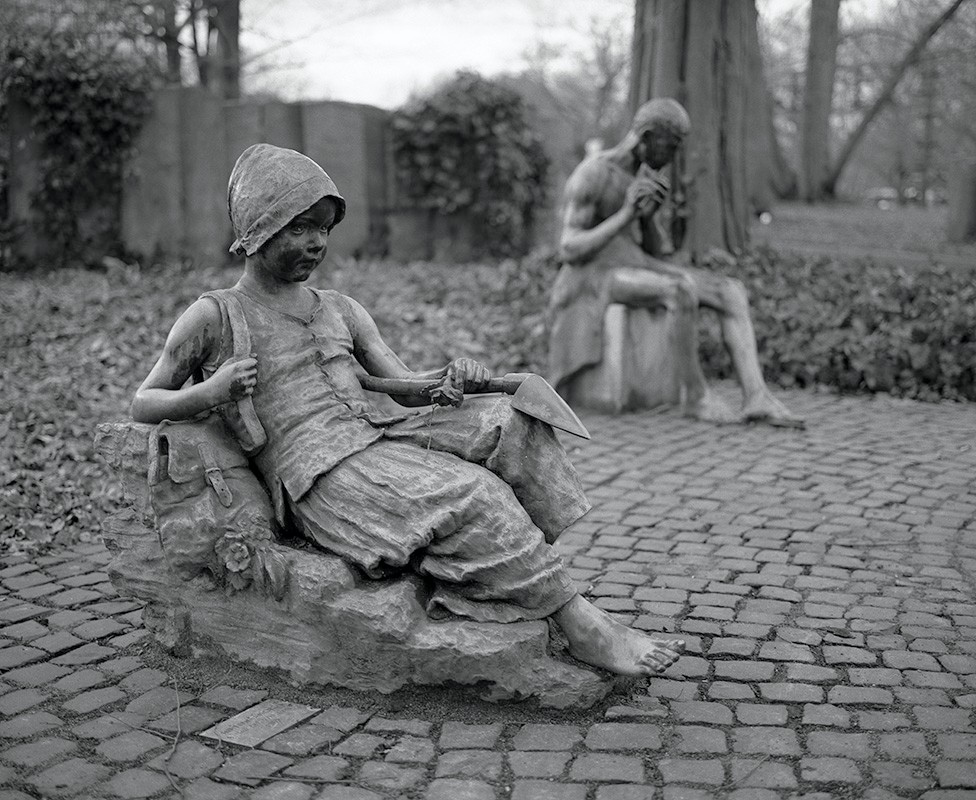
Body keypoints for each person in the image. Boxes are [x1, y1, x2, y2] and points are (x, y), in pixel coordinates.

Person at [131, 143, 683, 678]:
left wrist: (451, 379)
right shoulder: (215, 316)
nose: (316, 243)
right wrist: (211, 391)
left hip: (375, 430)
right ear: (257, 231)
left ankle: (515, 569)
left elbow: (403, 385)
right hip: (319, 473)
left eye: (323, 229)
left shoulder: (340, 309)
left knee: (510, 422)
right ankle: (579, 622)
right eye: (299, 228)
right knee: (473, 492)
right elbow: (144, 402)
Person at [550, 97, 803, 427]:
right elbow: (568, 249)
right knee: (680, 289)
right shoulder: (594, 173)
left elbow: (654, 253)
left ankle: (757, 396)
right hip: (593, 275)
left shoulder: (643, 176)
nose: (673, 157)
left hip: (634, 263)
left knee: (731, 290)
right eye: (670, 147)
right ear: (649, 136)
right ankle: (695, 397)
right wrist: (627, 213)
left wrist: (649, 216)